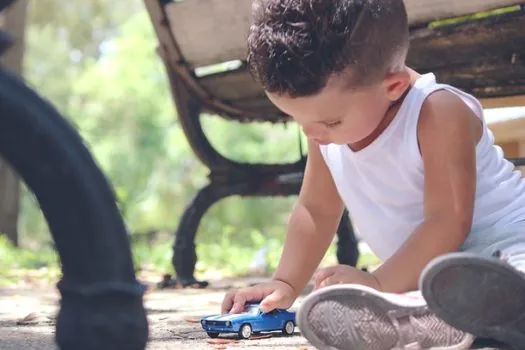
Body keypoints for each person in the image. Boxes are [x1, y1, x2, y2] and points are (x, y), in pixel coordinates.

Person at [221, 0, 525, 349]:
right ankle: (441, 322)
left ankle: (488, 309)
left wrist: (379, 284)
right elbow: (316, 210)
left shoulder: (438, 112)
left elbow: (448, 221)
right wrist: (285, 283)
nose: (312, 134)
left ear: (392, 86)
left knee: (515, 271)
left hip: (507, 247)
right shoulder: (328, 131)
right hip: (426, 277)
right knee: (421, 297)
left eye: (329, 121)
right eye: (298, 120)